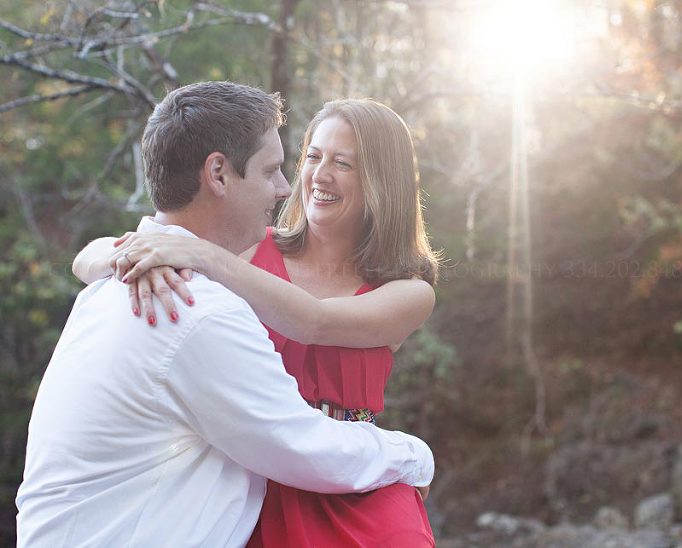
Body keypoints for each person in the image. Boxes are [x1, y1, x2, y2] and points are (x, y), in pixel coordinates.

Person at [16, 82, 435, 548]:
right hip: (262, 470)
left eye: (343, 162)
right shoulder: (245, 249)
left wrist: (196, 254)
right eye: (312, 157)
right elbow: (107, 250)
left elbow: (315, 322)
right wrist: (121, 262)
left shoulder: (405, 290)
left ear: (382, 179)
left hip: (351, 469)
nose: (314, 175)